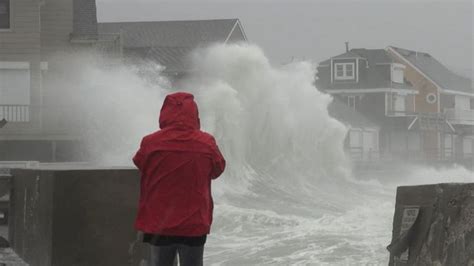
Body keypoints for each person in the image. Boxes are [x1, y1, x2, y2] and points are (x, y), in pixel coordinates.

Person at [133, 92, 226, 266]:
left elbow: (140, 163)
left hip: (160, 221)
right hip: (194, 221)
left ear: (165, 113)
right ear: (194, 114)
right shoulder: (206, 143)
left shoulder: (150, 142)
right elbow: (218, 169)